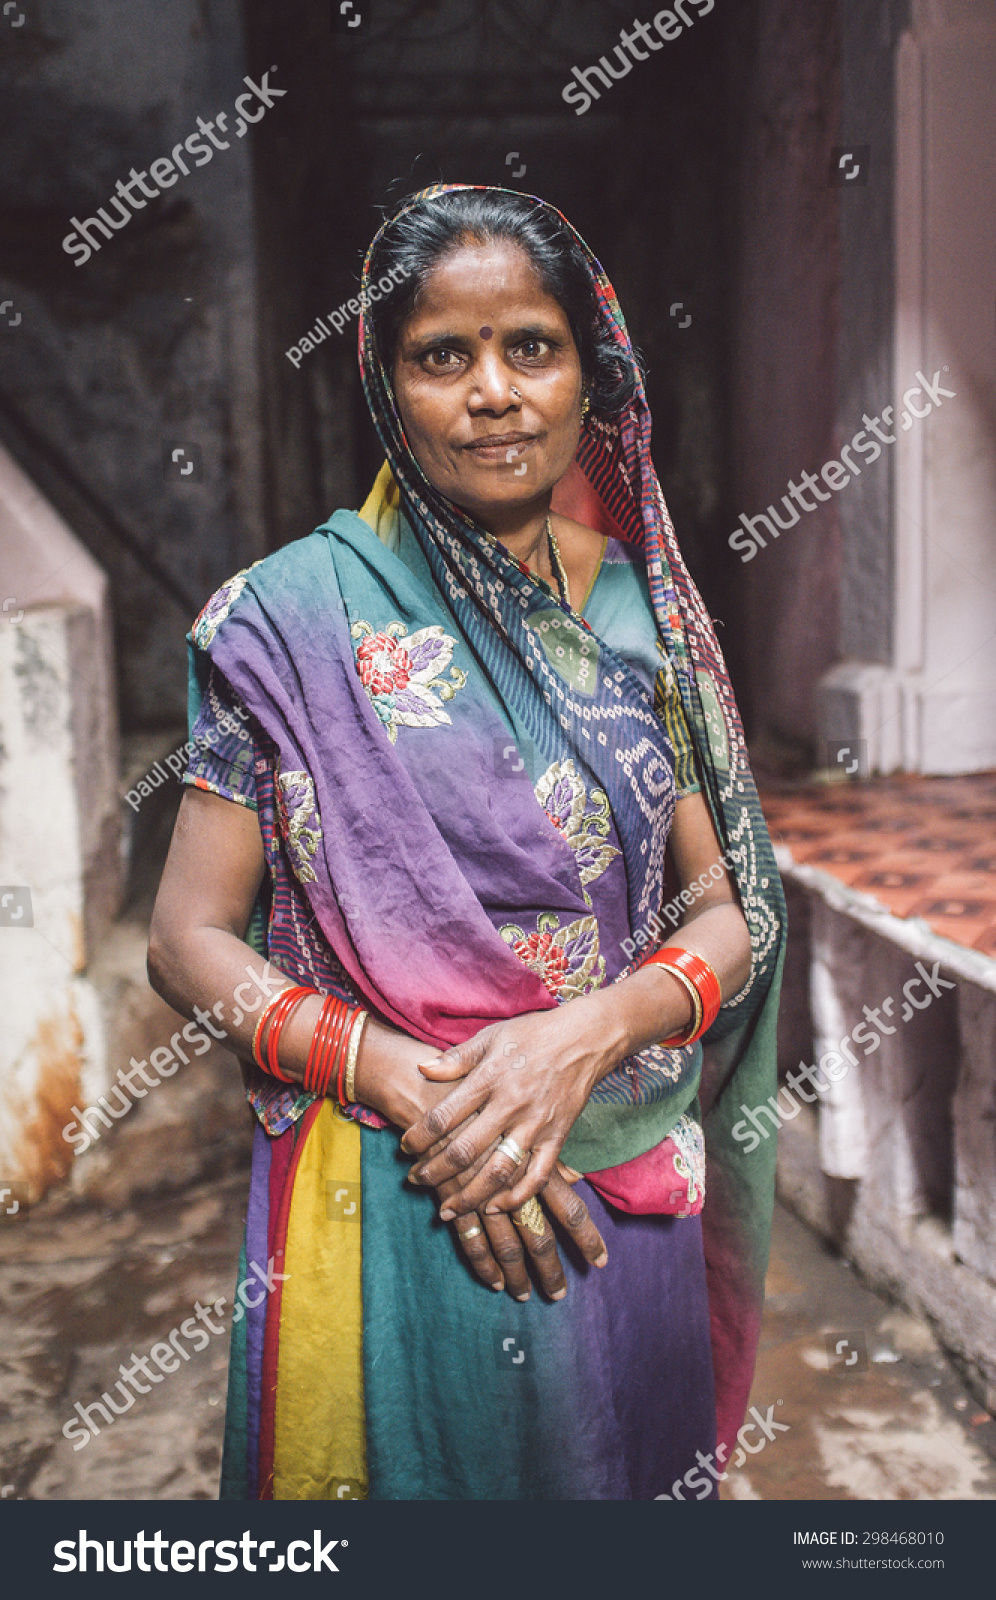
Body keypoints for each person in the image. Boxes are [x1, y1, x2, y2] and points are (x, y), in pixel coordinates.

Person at [148, 184, 785, 1501]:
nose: (494, 391)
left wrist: (589, 1034)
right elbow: (186, 936)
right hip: (395, 1181)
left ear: (586, 374)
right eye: (445, 355)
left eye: (530, 348)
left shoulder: (640, 608)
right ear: (385, 385)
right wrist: (402, 1079)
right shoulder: (284, 619)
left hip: (615, 1178)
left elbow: (730, 907)